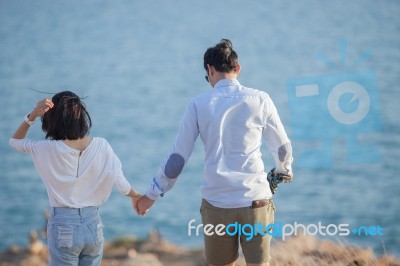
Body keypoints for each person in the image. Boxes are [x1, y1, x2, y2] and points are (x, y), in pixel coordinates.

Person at [136, 39, 293, 266]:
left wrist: (151, 195)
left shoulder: (198, 105)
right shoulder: (261, 99)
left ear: (210, 70)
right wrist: (283, 170)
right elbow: (282, 148)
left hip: (218, 203)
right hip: (256, 200)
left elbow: (177, 160)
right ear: (238, 69)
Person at [9, 91, 141, 266]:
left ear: (52, 120)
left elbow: (15, 141)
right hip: (93, 225)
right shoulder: (102, 145)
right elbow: (122, 184)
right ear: (81, 117)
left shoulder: (46, 148)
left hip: (63, 224)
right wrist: (137, 196)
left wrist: (32, 115)